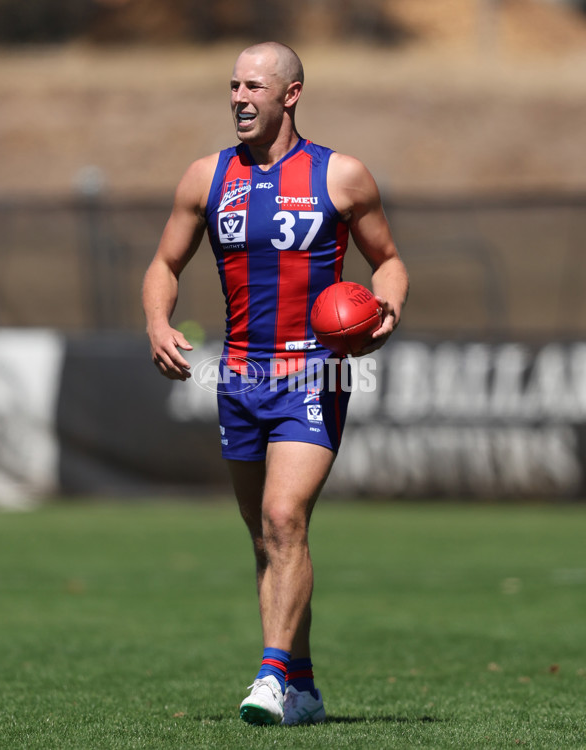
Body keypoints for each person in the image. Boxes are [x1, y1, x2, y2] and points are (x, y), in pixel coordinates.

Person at [142, 41, 409, 726]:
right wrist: (156, 320)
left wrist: (388, 309)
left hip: (314, 374)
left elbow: (387, 260)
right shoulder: (207, 177)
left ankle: (269, 678)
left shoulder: (340, 175)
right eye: (233, 84)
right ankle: (306, 686)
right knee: (267, 538)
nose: (238, 96)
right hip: (239, 376)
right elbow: (165, 263)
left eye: (254, 85)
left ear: (290, 95)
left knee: (286, 518)